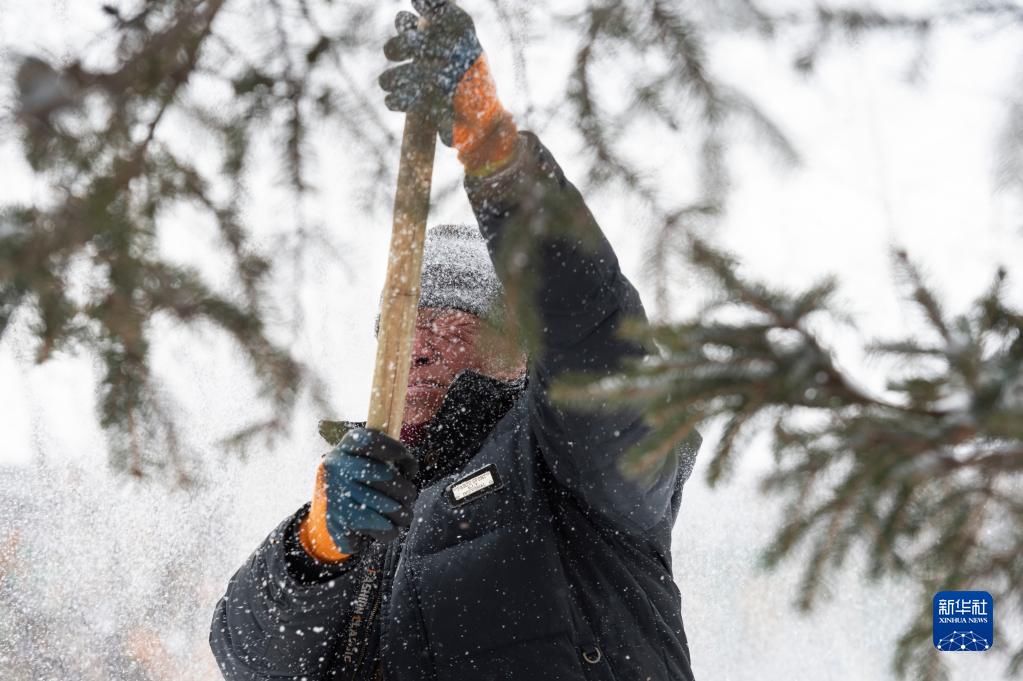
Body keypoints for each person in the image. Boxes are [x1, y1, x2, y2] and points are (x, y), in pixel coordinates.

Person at [209, 2, 701, 679]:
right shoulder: (362, 508)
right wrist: (315, 547)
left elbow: (591, 342)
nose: (416, 345)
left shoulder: (567, 466)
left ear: (519, 349)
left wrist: (494, 150)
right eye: (401, 329)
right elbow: (245, 654)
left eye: (451, 322)